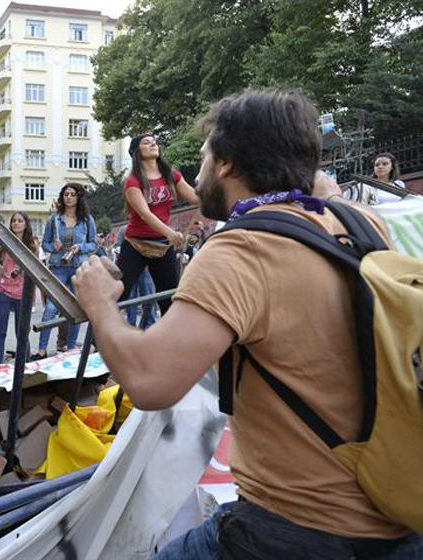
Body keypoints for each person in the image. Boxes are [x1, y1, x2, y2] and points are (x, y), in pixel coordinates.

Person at [73, 90, 422, 559]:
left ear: (226, 165)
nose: (196, 175)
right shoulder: (359, 223)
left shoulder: (240, 250)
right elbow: (326, 189)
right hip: (398, 513)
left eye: (202, 159)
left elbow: (151, 381)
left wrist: (100, 305)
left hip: (293, 531)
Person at [118, 134, 200, 323]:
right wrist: (171, 233)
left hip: (163, 246)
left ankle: (172, 345)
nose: (153, 143)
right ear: (135, 152)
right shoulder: (132, 181)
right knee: (119, 294)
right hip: (136, 245)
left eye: (154, 141)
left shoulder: (172, 175)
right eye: (146, 142)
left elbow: (195, 198)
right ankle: (99, 342)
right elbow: (145, 214)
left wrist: (213, 188)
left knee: (169, 299)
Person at [33, 183, 97, 360]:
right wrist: (53, 247)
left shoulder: (86, 220)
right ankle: (42, 349)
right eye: (66, 194)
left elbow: (94, 244)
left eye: (72, 194)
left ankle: (70, 348)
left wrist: (81, 247)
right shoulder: (54, 220)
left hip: (78, 268)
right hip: (58, 267)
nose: (69, 197)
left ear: (79, 197)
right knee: (51, 309)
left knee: (75, 308)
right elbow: (44, 243)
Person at [0, 212, 37, 364]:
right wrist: (0, 269)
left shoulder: (32, 245)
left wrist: (32, 296)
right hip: (3, 290)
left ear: (26, 224)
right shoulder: (4, 240)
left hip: (22, 292)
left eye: (20, 221)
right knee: (0, 331)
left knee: (21, 332)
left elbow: (35, 270)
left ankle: (24, 364)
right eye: (14, 221)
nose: (16, 223)